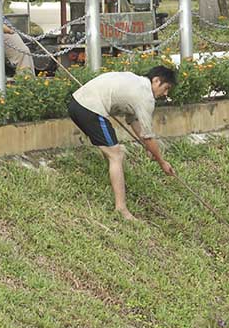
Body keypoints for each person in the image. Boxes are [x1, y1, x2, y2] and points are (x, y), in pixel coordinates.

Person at [68, 66, 177, 221]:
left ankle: (114, 187)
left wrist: (147, 147)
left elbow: (133, 120)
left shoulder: (137, 82)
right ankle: (121, 208)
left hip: (76, 103)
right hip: (90, 109)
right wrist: (162, 162)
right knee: (116, 155)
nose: (165, 94)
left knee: (111, 150)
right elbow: (148, 137)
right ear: (156, 80)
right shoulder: (146, 97)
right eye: (166, 88)